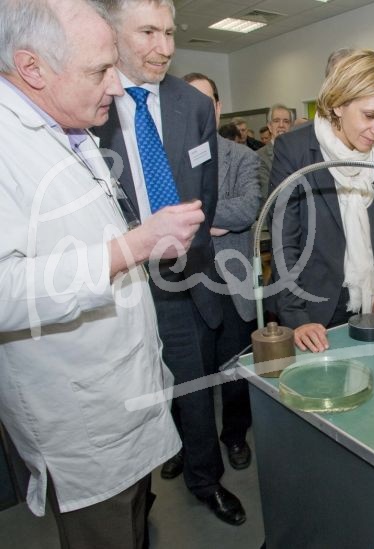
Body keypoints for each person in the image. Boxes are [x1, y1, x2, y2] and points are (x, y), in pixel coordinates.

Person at [0, 0, 208, 545]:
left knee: (134, 521)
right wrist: (133, 247)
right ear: (32, 68)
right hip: (82, 420)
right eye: (99, 72)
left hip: (124, 395)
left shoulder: (70, 129)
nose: (116, 88)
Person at [93, 0, 246, 526]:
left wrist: (188, 250)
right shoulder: (89, 99)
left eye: (170, 33)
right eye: (148, 33)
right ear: (112, 32)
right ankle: (135, 492)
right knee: (127, 395)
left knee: (193, 386)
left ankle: (205, 480)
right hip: (113, 278)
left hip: (181, 277)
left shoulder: (192, 104)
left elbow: (204, 195)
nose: (164, 48)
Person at [269, 49, 374, 353]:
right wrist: (296, 317)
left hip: (373, 303)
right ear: (338, 104)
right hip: (313, 309)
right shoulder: (295, 149)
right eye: (369, 116)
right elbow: (283, 240)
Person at [184, 72, 261, 471]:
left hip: (231, 281)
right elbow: (161, 215)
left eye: (206, 102)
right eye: (189, 102)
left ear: (217, 107)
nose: (199, 110)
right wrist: (214, 221)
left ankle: (235, 435)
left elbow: (248, 208)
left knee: (234, 370)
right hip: (184, 282)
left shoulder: (243, 156)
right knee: (190, 373)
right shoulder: (168, 158)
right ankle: (190, 449)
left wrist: (196, 217)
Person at [256, 103, 294, 200]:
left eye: (286, 121)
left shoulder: (301, 153)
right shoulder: (259, 157)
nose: (281, 125)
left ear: (291, 126)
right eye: (276, 121)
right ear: (269, 126)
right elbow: (267, 192)